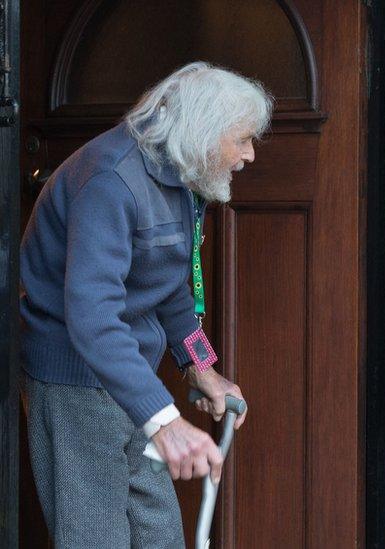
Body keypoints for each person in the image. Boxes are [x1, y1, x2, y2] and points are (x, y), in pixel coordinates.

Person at [20, 62, 272, 547]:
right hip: (75, 382)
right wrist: (164, 420)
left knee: (158, 532)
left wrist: (199, 364)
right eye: (241, 139)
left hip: (130, 376)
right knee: (96, 538)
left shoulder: (177, 173)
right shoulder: (110, 181)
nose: (250, 155)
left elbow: (169, 281)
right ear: (203, 132)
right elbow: (91, 317)